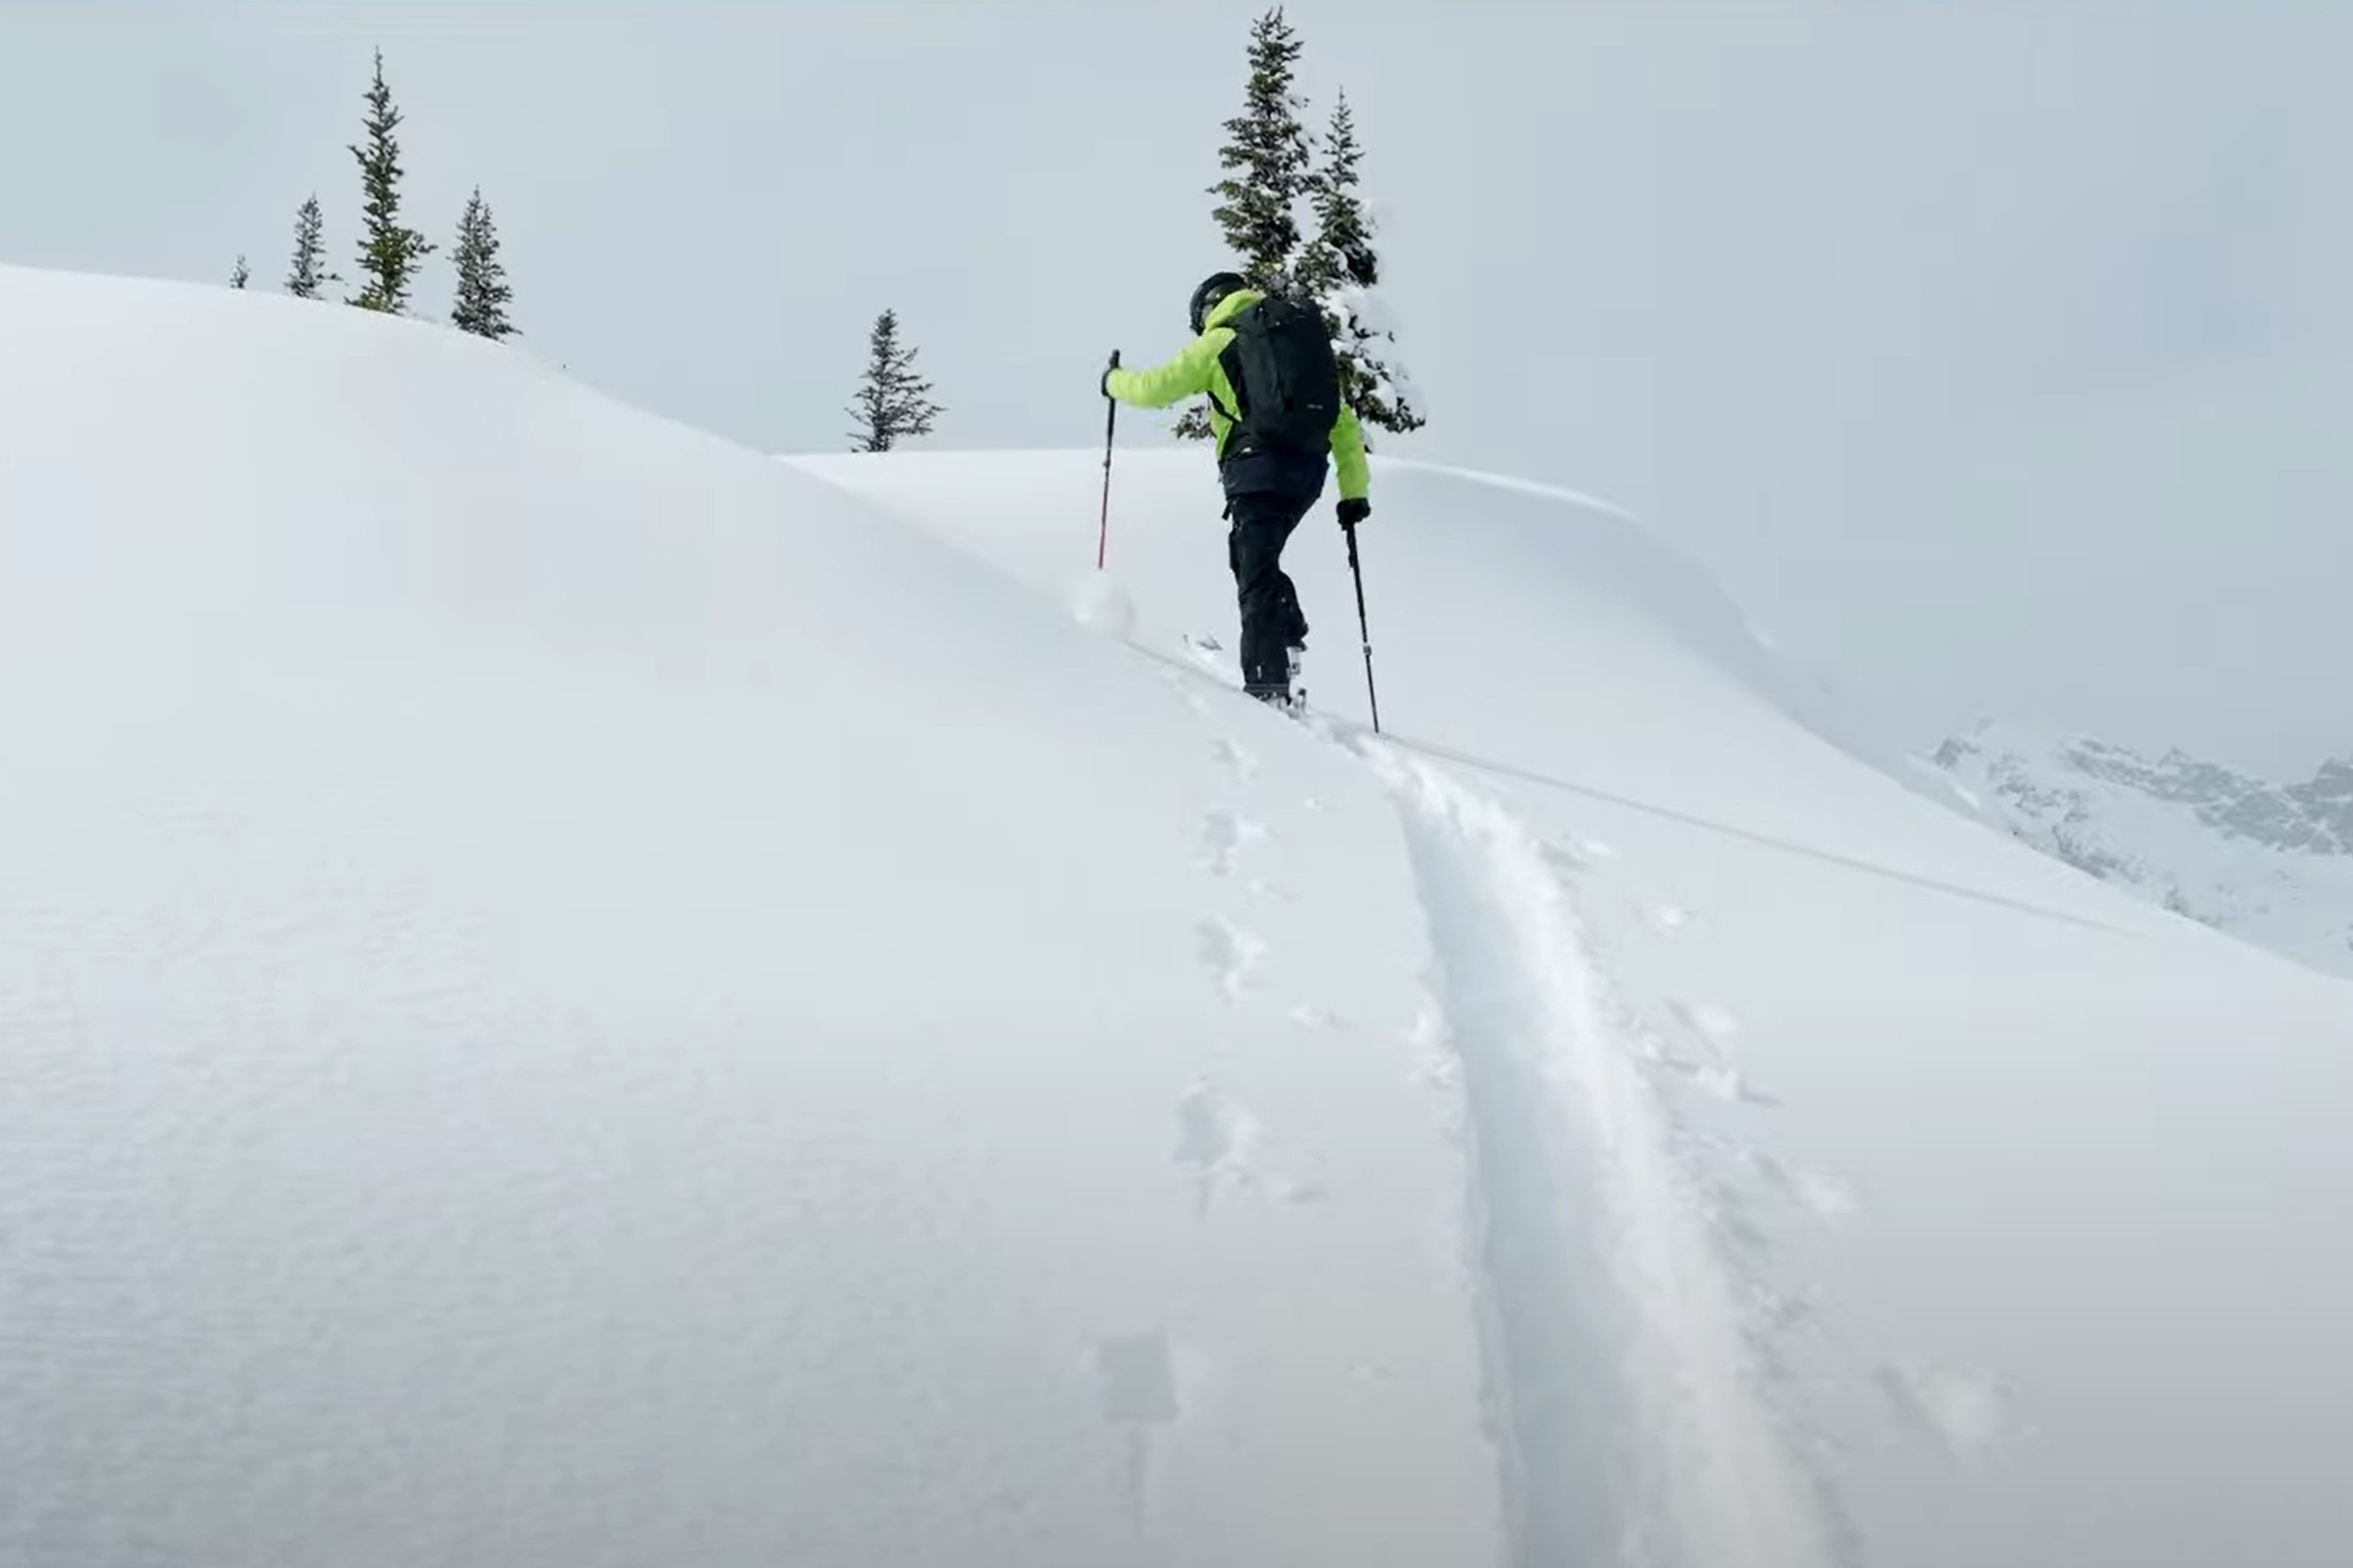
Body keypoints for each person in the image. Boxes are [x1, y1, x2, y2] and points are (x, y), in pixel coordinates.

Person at [1102, 271, 1370, 707]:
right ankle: (1287, 632)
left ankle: (1268, 685)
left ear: (1207, 310)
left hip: (1256, 471)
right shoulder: (1292, 346)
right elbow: (1342, 422)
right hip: (1307, 474)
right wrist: (1353, 492)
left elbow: (1155, 389)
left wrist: (1112, 381)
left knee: (1255, 573)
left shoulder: (1220, 341)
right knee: (1253, 560)